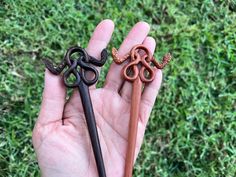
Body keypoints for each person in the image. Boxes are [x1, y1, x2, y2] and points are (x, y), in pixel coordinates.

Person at [32, 19, 163, 177]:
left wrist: (105, 57)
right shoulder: (80, 69)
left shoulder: (80, 69)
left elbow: (100, 60)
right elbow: (100, 60)